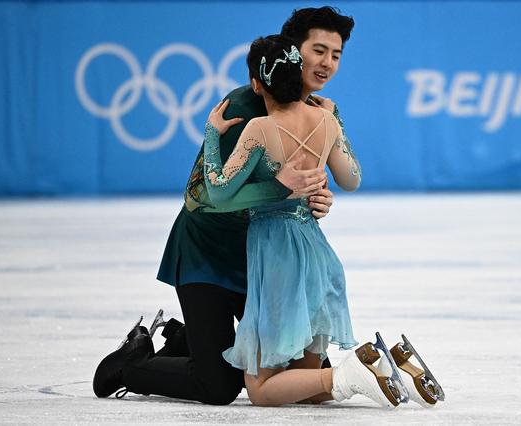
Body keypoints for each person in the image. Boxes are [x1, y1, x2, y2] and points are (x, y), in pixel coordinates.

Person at [93, 6, 357, 405]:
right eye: (318, 51)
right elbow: (199, 198)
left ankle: (185, 340)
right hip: (209, 255)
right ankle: (131, 365)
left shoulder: (320, 112)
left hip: (264, 260)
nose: (327, 64)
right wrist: (278, 190)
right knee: (219, 386)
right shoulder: (242, 109)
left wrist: (316, 198)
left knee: (301, 378)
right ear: (291, 50)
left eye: (336, 55)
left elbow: (336, 177)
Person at [201, 34, 408, 408]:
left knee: (261, 390)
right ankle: (386, 372)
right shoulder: (325, 121)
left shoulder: (259, 129)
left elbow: (218, 192)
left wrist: (212, 133)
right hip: (317, 255)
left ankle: (349, 373)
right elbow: (352, 179)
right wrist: (336, 119)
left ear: (256, 84)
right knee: (306, 390)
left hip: (277, 256)